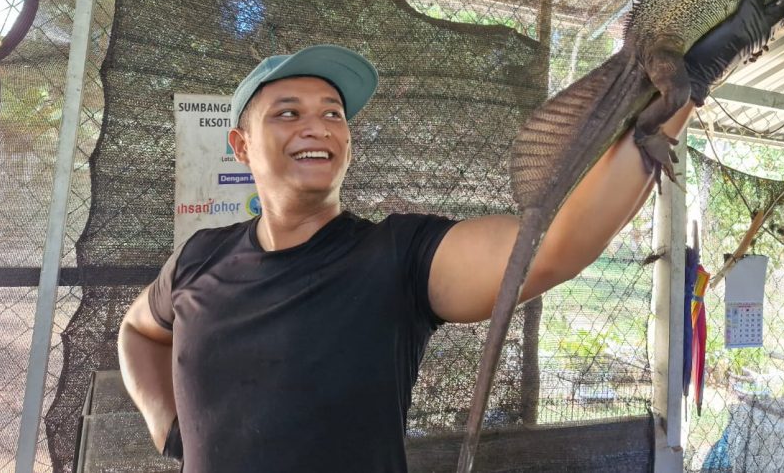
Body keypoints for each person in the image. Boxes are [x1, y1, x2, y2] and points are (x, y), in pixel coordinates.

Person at [117, 43, 692, 472]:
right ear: (241, 145)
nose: (316, 125)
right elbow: (139, 331)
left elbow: (551, 251)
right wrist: (167, 427)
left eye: (333, 113)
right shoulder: (199, 258)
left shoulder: (394, 256)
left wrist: (674, 104)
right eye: (287, 113)